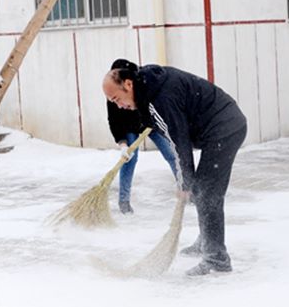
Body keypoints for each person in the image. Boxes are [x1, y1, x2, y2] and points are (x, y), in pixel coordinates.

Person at [102, 59, 247, 276]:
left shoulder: (159, 99)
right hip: (218, 126)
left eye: (116, 99)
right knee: (202, 189)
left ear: (128, 85)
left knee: (207, 192)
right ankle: (207, 241)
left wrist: (184, 182)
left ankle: (216, 259)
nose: (119, 106)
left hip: (224, 128)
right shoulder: (149, 88)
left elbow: (179, 141)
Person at [107, 60, 178, 214]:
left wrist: (154, 120)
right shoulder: (114, 94)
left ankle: (188, 189)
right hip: (129, 127)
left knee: (171, 154)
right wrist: (123, 144)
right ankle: (124, 202)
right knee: (130, 160)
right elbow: (113, 120)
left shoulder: (140, 83)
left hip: (149, 123)